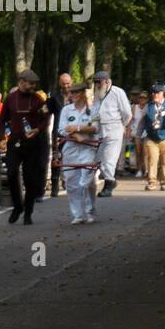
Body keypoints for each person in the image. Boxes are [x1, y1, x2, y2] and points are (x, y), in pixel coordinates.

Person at [0, 69, 48, 224]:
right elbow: (2, 120)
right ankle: (17, 206)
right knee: (12, 173)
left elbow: (45, 119)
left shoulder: (39, 100)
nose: (33, 86)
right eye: (30, 83)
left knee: (30, 179)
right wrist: (0, 138)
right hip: (15, 142)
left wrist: (38, 129)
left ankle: (28, 212)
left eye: (35, 83)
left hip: (33, 144)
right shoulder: (10, 99)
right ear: (21, 82)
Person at [56, 83, 99, 224]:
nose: (73, 95)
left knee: (86, 181)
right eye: (71, 93)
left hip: (88, 147)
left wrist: (77, 128)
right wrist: (76, 135)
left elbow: (95, 128)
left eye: (76, 92)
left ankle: (90, 211)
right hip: (71, 148)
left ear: (83, 93)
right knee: (71, 182)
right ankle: (78, 215)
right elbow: (62, 129)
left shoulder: (93, 109)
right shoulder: (66, 110)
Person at [90, 71, 132, 197]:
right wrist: (93, 127)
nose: (97, 84)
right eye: (95, 82)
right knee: (97, 158)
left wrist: (120, 127)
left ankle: (108, 184)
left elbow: (127, 113)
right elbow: (95, 112)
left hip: (114, 128)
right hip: (100, 129)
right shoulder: (98, 94)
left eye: (99, 82)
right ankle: (107, 181)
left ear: (107, 81)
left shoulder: (118, 92)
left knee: (109, 159)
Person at [46, 72, 73, 198]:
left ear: (71, 83)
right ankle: (55, 184)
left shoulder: (76, 96)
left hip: (73, 132)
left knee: (72, 158)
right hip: (58, 132)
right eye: (63, 84)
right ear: (59, 84)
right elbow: (46, 111)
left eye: (68, 84)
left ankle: (68, 181)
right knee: (56, 158)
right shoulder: (55, 97)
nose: (66, 86)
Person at [130, 90, 148, 176]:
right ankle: (139, 170)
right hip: (136, 132)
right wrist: (128, 132)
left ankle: (146, 169)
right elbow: (130, 121)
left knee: (145, 152)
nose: (142, 99)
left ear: (147, 99)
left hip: (146, 133)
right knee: (138, 152)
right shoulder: (134, 108)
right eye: (141, 97)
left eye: (144, 97)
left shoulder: (149, 107)